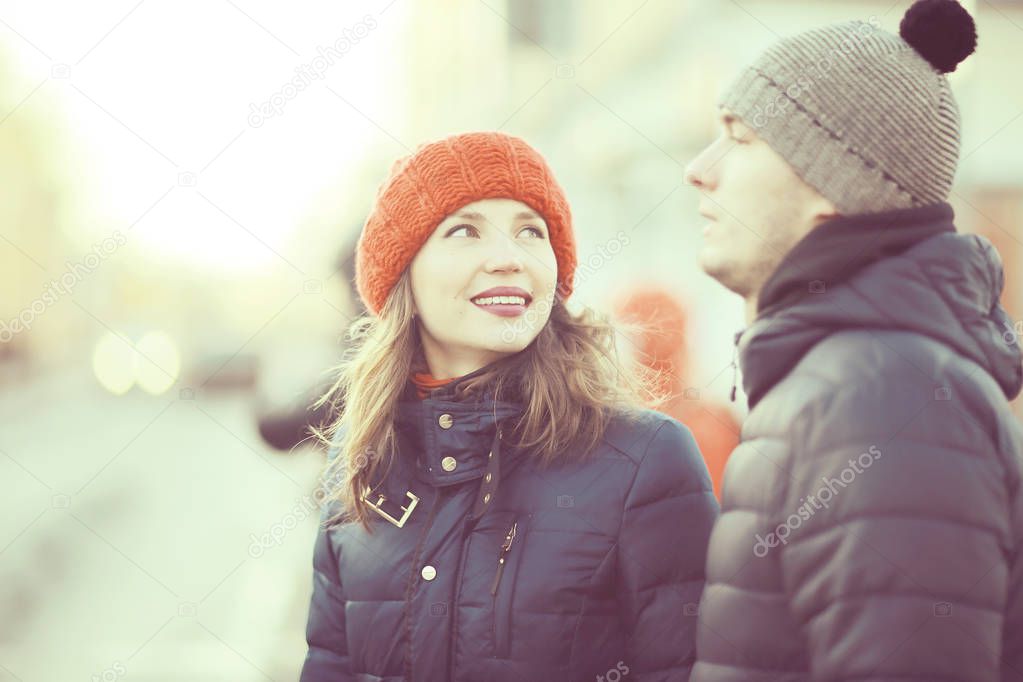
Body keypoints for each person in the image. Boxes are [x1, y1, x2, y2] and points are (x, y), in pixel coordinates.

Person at [682, 1, 1023, 679]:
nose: (700, 167)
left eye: (740, 137)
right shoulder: (846, 374)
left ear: (834, 184)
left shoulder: (879, 396)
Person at [299, 131, 719, 681]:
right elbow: (330, 664)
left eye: (530, 231)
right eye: (464, 230)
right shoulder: (360, 455)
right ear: (404, 274)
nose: (507, 258)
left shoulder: (646, 459)